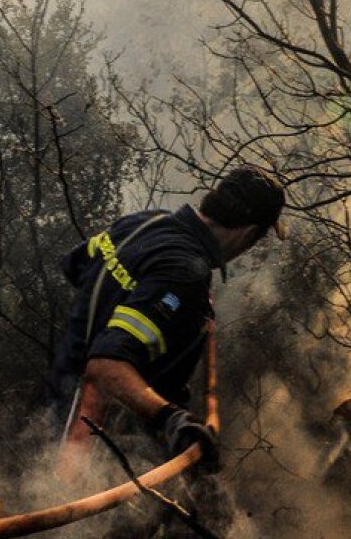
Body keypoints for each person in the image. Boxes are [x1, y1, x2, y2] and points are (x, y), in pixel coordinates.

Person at [48, 165, 286, 480]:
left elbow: (77, 265)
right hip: (94, 441)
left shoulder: (148, 222)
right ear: (248, 233)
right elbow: (106, 366)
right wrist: (172, 420)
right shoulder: (184, 274)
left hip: (57, 398)